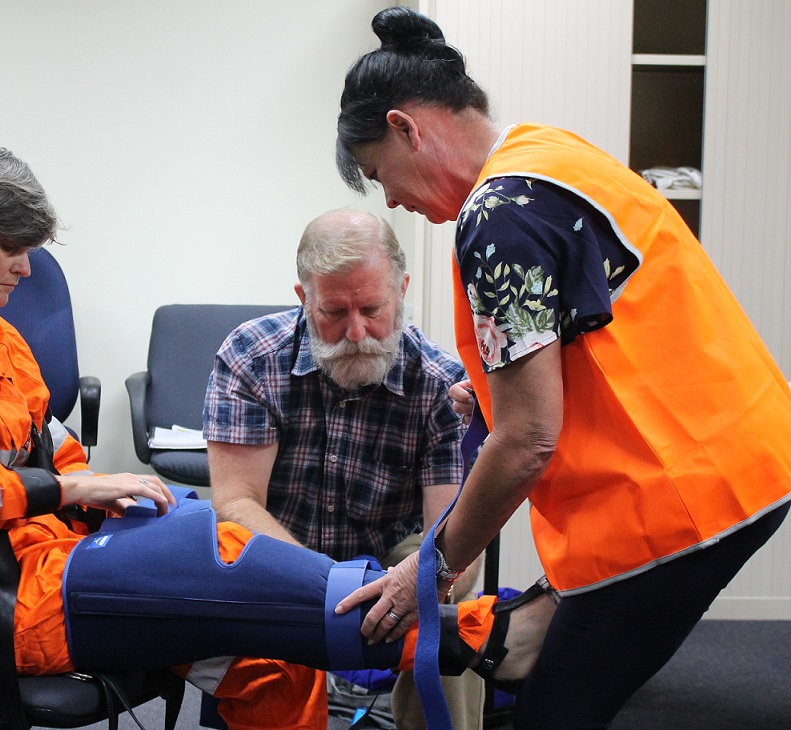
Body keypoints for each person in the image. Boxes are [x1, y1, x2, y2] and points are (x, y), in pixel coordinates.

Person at [0, 142, 541, 730]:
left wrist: (114, 495)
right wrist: (71, 487)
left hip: (44, 558)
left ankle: (437, 627)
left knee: (270, 657)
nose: (26, 267)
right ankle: (476, 635)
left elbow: (53, 449)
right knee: (209, 552)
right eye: (10, 246)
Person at [333, 7, 791, 729]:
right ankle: (518, 634)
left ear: (404, 128)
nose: (389, 199)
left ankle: (518, 640)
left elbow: (527, 440)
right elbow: (595, 318)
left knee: (556, 711)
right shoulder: (546, 155)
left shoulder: (496, 214)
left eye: (377, 175)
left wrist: (428, 571)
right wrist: (489, 389)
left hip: (684, 497)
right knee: (544, 653)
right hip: (743, 448)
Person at [204, 207, 484, 730]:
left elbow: (452, 534)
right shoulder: (250, 356)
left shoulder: (441, 383)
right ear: (302, 297)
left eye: (373, 308)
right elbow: (238, 502)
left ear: (401, 289)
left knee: (453, 624)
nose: (356, 333)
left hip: (391, 557)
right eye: (333, 312)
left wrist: (410, 584)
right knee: (226, 556)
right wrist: (325, 586)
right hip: (275, 549)